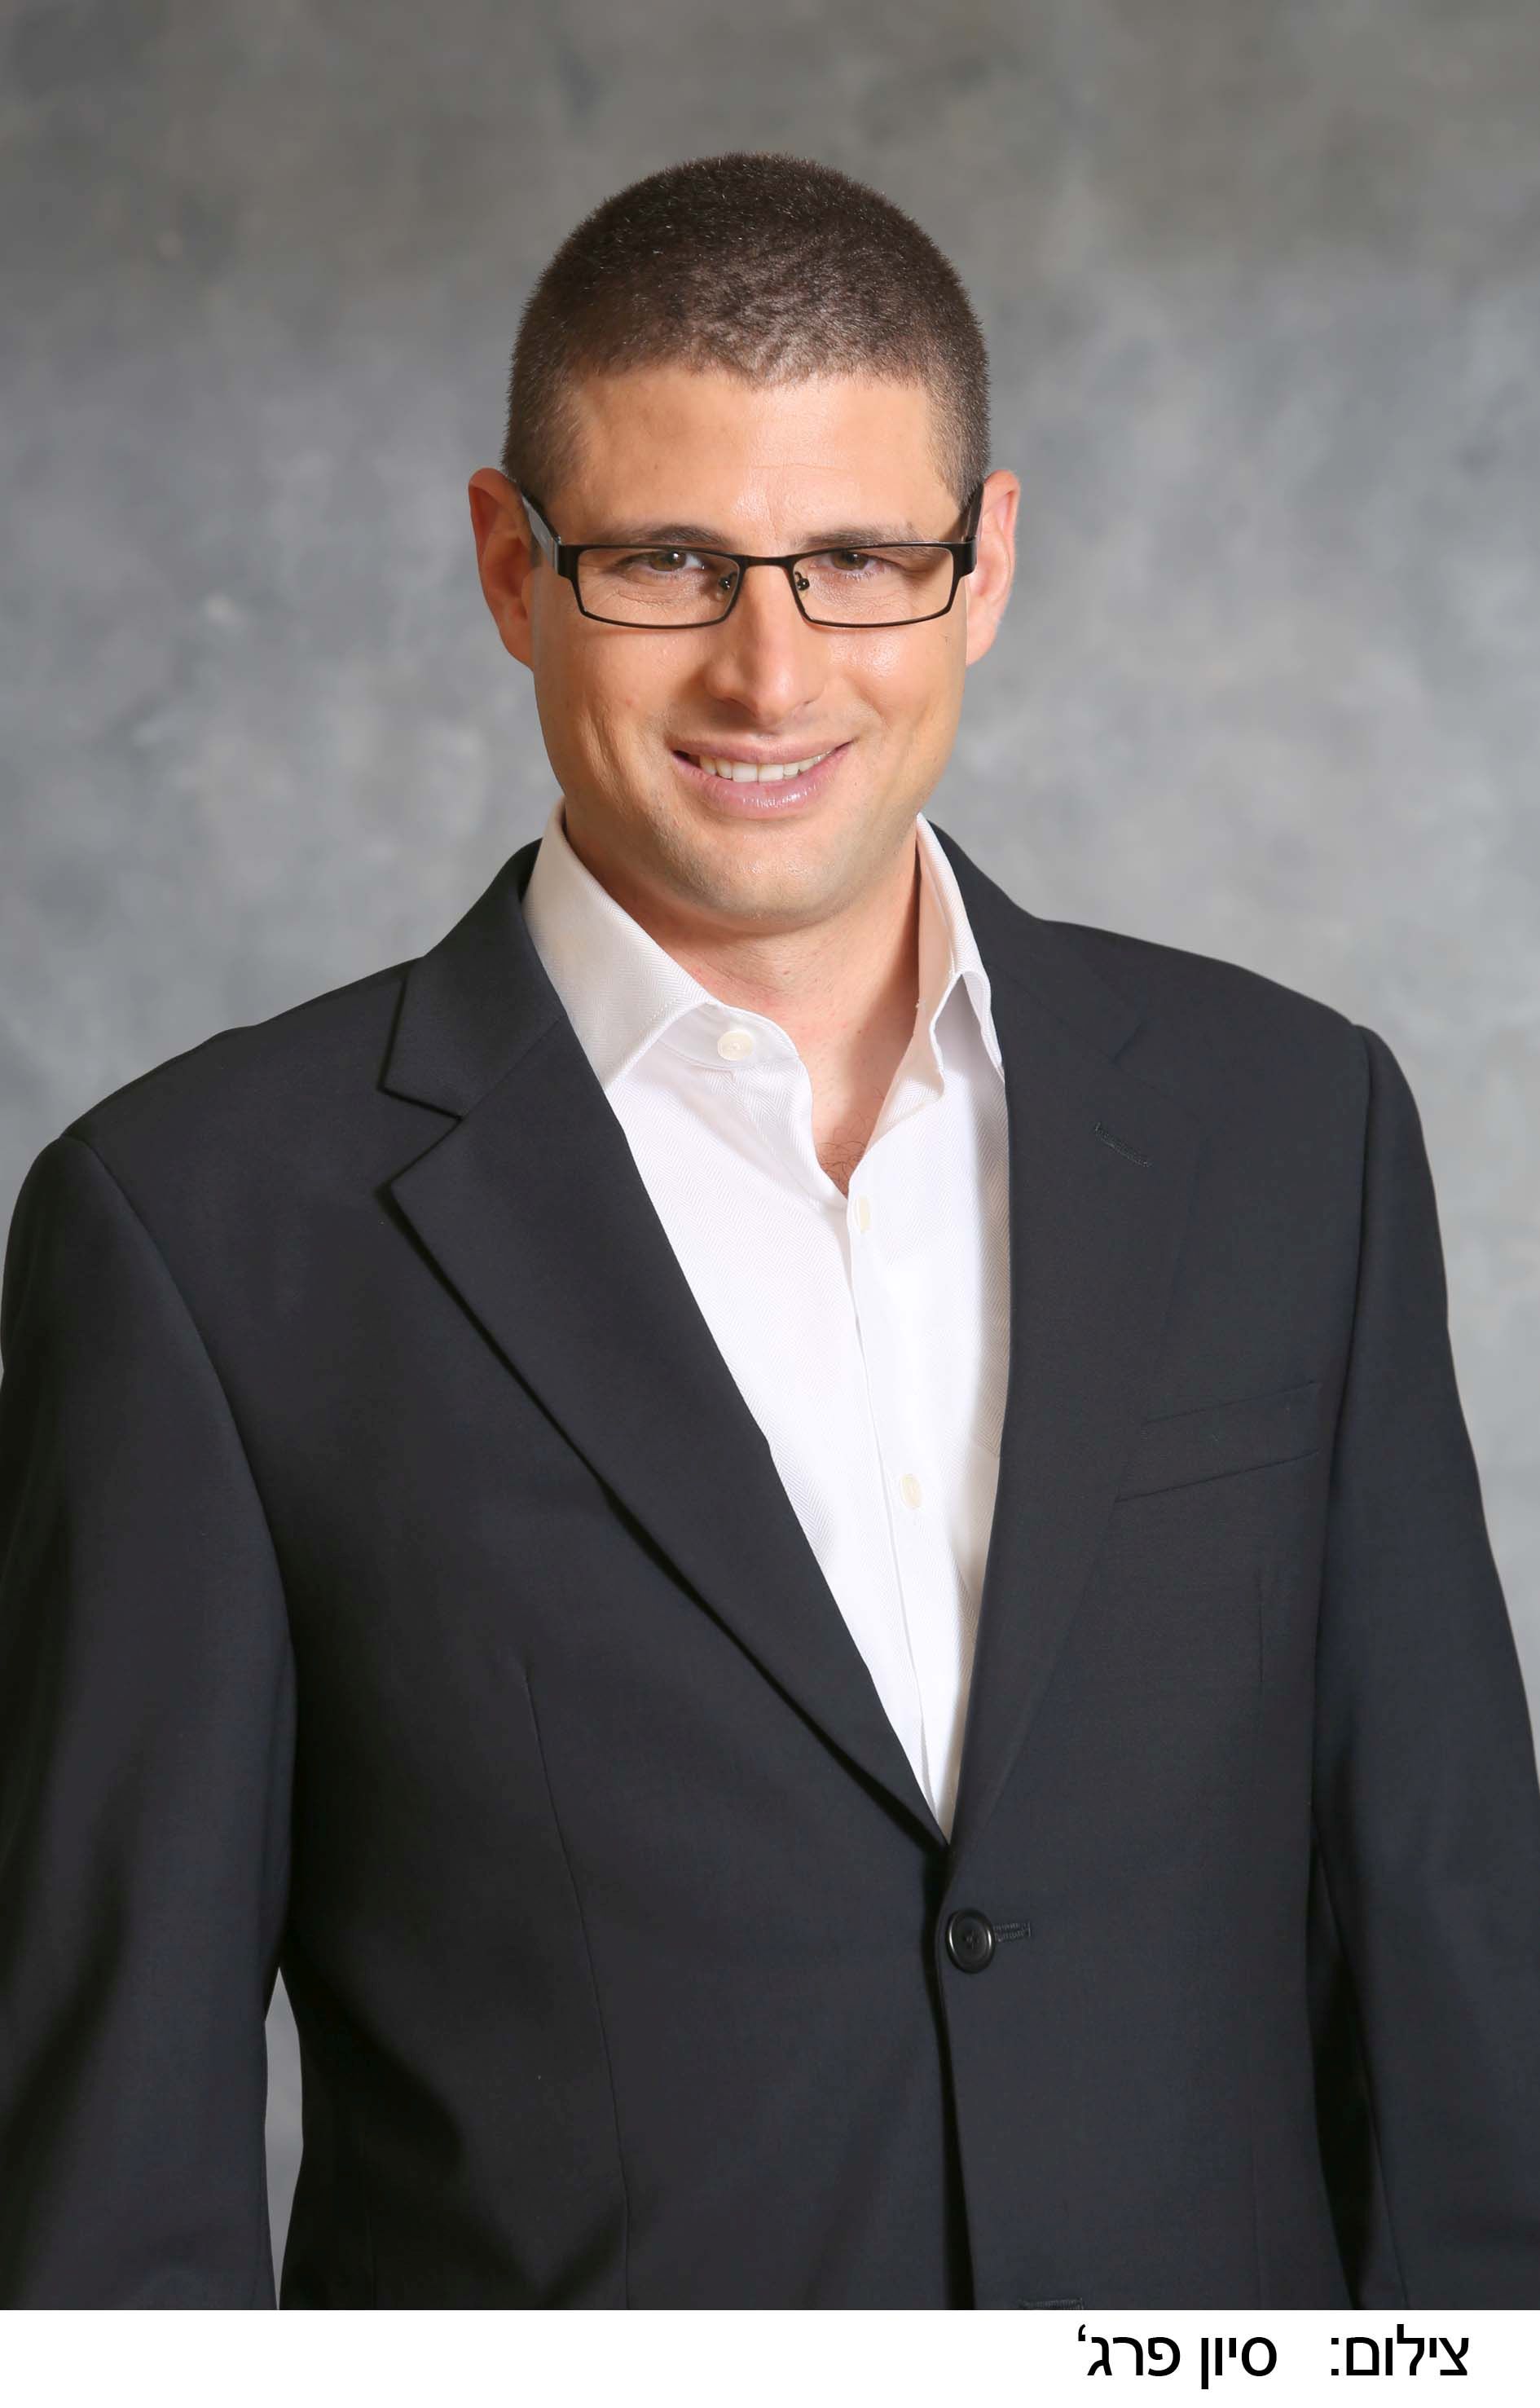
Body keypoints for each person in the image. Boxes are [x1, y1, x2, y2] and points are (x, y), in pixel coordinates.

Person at [2, 150, 1538, 2313]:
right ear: (509, 568)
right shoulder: (194, 1231)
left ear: (983, 567)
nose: (768, 670)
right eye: (666, 562)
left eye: (858, 562)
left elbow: (1450, 1947)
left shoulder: (1293, 1128)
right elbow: (111, 2176)